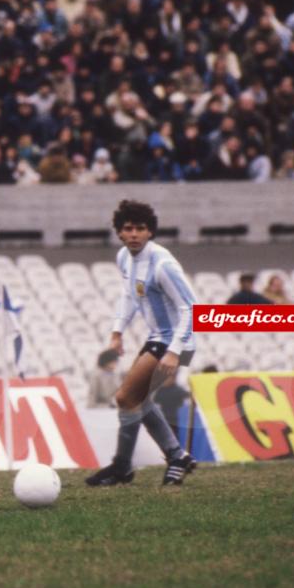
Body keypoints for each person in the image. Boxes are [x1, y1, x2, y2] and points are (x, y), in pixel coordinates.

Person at [86, 200, 197, 488]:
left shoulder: (163, 265)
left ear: (150, 232)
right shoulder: (124, 257)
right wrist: (117, 331)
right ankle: (176, 457)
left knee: (125, 398)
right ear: (120, 233)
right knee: (137, 399)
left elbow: (191, 309)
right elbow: (128, 295)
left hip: (177, 341)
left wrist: (174, 352)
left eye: (140, 228)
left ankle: (124, 466)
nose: (134, 234)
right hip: (158, 338)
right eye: (128, 229)